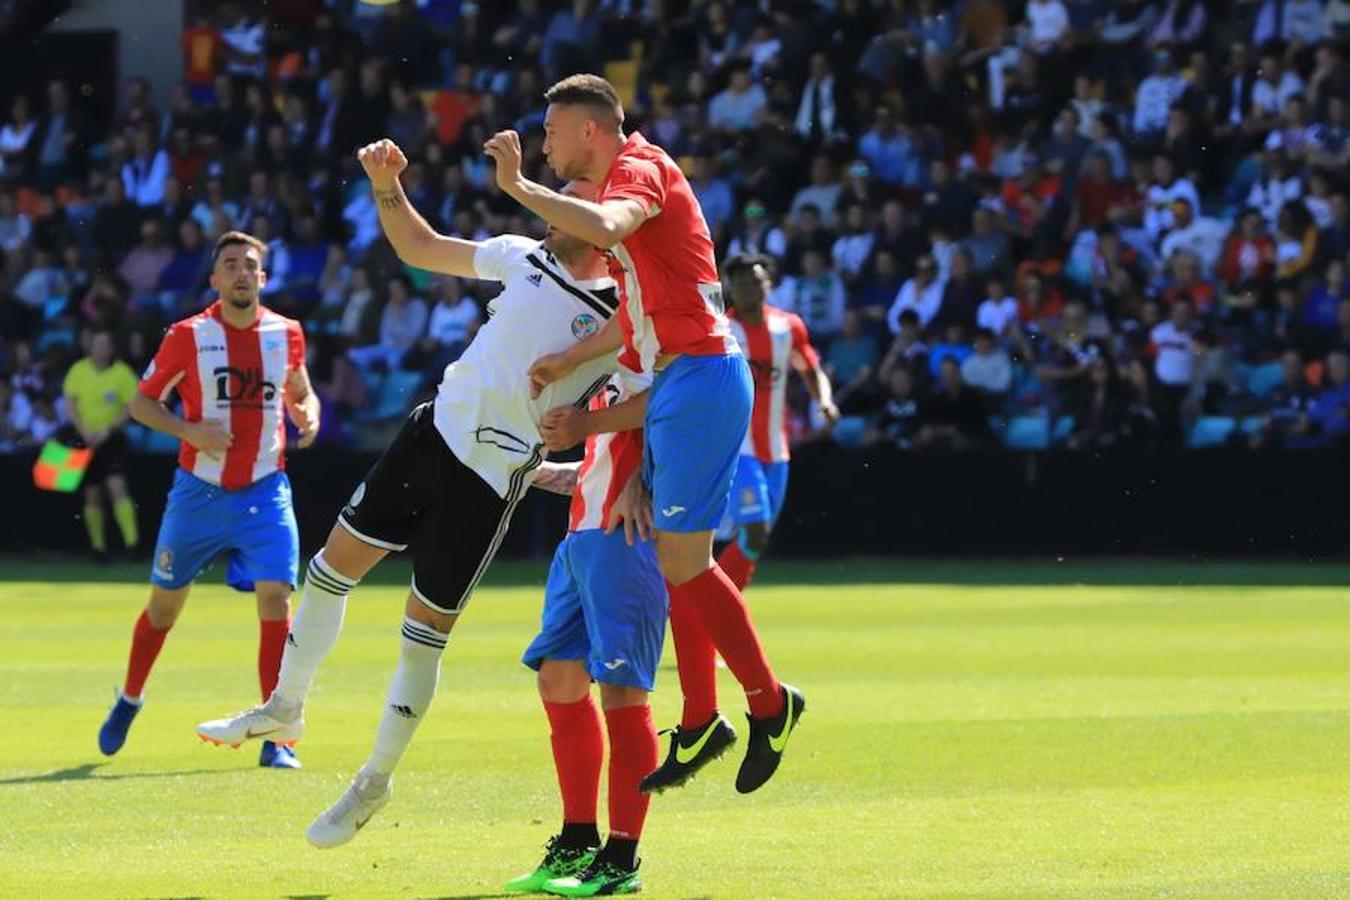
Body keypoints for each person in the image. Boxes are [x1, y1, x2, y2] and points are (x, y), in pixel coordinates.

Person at [195, 147, 622, 856]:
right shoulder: (521, 255)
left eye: (570, 196)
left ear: (601, 218)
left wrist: (590, 452)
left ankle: (374, 781)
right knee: (330, 570)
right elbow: (420, 246)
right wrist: (387, 187)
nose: (552, 204)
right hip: (432, 435)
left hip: (489, 478)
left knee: (420, 634)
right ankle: (284, 705)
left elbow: (649, 392)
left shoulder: (620, 311)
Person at [486, 75, 805, 812]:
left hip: (697, 376)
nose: (545, 145)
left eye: (551, 133)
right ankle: (709, 716)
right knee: (677, 560)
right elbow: (633, 317)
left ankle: (765, 701)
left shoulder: (637, 171)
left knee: (682, 560)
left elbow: (610, 228)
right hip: (682, 375)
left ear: (589, 131)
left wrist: (520, 185)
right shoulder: (620, 197)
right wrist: (571, 360)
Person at [96, 231, 320, 770]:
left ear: (263, 278)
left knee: (276, 601)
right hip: (198, 492)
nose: (242, 272)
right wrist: (188, 430)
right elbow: (142, 405)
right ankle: (130, 698)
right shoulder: (187, 336)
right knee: (164, 607)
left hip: (267, 489)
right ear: (214, 279)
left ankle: (276, 737)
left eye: (251, 265)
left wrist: (309, 413)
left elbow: (300, 391)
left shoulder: (286, 334)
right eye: (230, 265)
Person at [505, 370, 662, 897]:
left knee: (622, 694)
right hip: (579, 541)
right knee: (557, 680)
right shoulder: (604, 369)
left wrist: (642, 482)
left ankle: (621, 858)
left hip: (627, 538)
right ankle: (577, 841)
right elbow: (597, 469)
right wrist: (531, 472)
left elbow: (678, 423)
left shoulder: (656, 354)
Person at [715, 254, 836, 591]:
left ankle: (722, 605)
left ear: (768, 284)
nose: (751, 289)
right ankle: (712, 608)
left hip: (777, 448)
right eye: (742, 283)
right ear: (731, 289)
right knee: (755, 529)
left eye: (756, 281)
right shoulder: (722, 330)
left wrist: (824, 402)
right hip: (738, 446)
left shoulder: (788, 327)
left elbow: (811, 370)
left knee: (757, 538)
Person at [62, 330, 140, 558]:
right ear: (91, 347)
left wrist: (109, 429)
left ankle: (132, 545)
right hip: (85, 439)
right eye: (98, 344)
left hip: (112, 440)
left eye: (106, 344)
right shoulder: (78, 370)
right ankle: (98, 548)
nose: (101, 348)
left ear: (112, 348)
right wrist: (84, 430)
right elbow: (70, 402)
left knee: (117, 487)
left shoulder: (122, 373)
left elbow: (131, 406)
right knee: (92, 492)